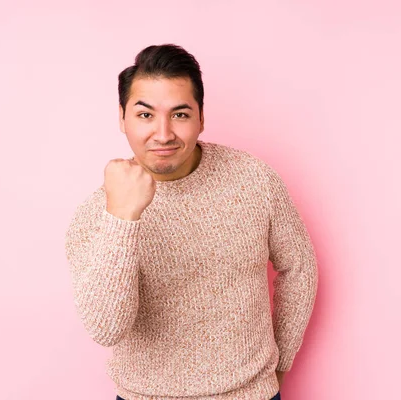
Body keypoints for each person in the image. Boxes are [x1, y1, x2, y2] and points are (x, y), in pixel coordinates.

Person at [64, 43, 319, 400]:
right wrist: (122, 217)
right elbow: (106, 328)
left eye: (180, 115)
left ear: (201, 117)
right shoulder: (96, 215)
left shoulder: (254, 179)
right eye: (145, 115)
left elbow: (299, 264)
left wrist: (281, 363)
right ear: (122, 117)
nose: (164, 133)